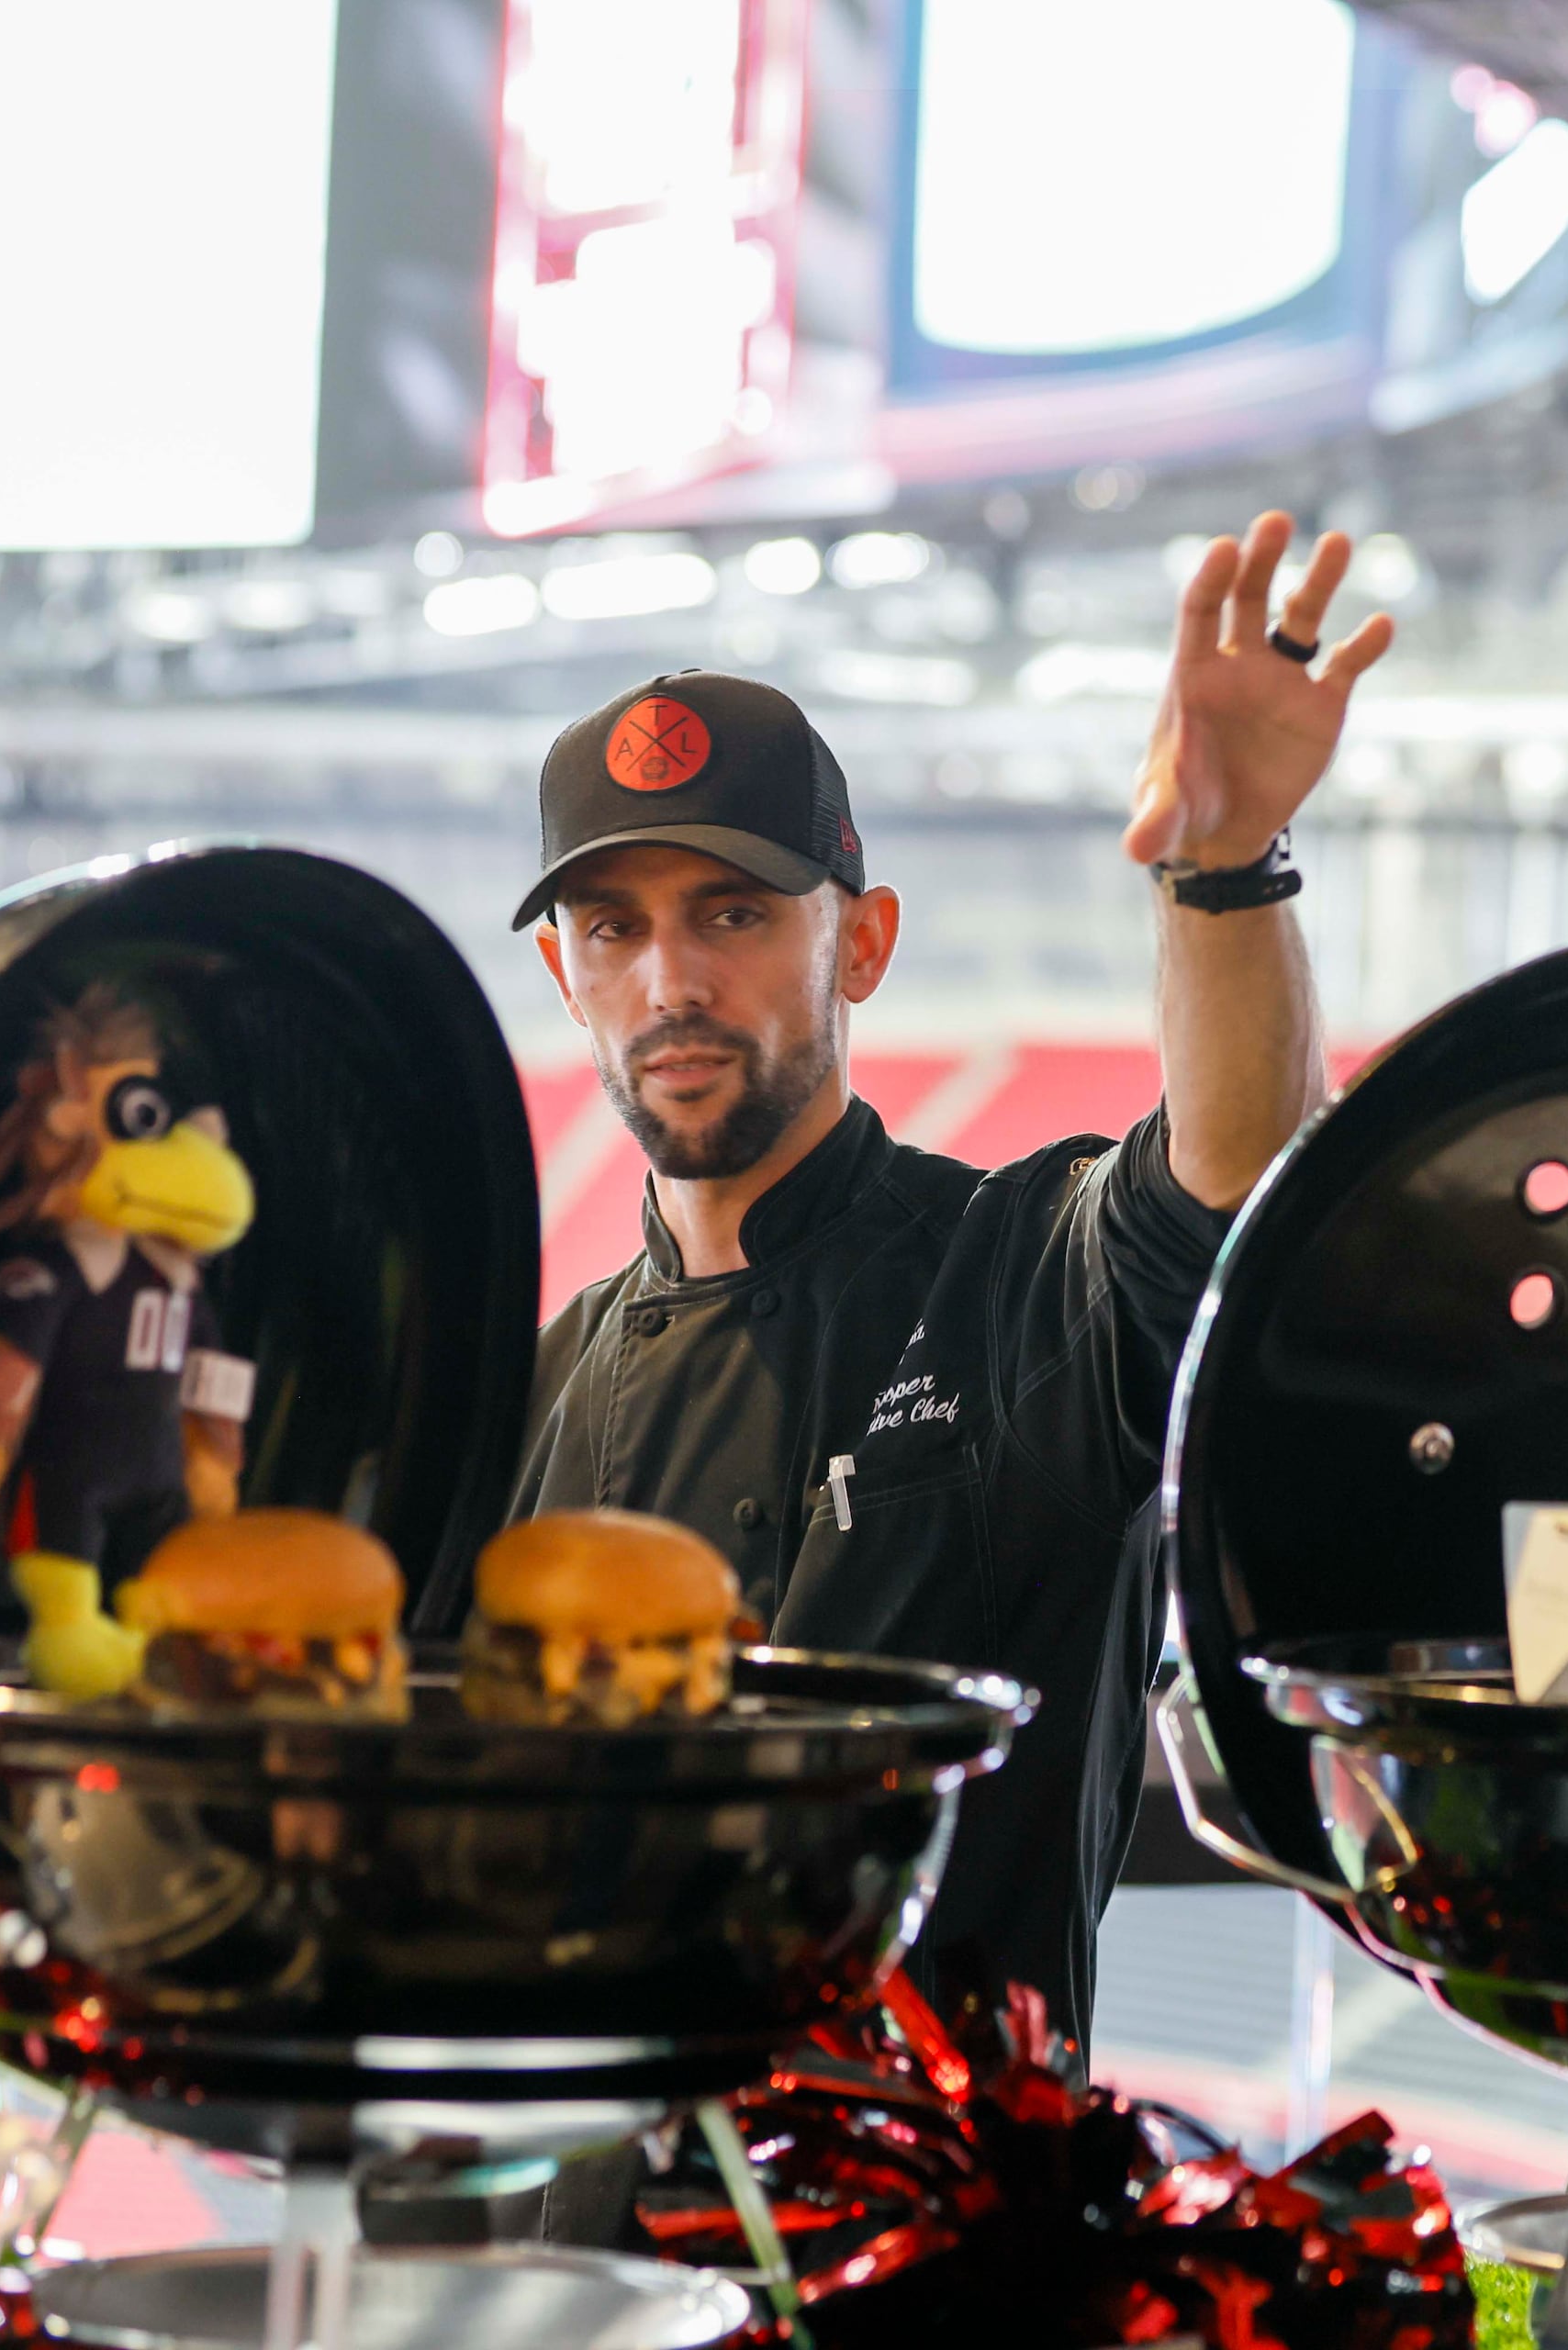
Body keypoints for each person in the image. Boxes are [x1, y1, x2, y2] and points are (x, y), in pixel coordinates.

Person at [510, 513, 1393, 2042]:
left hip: (941, 2248)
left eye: (732, 914)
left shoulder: (1016, 1275)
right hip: (565, 2258)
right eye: (614, 928)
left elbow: (1235, 1190)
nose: (671, 984)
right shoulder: (525, 1400)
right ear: (563, 976)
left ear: (861, 944)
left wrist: (1224, 867)